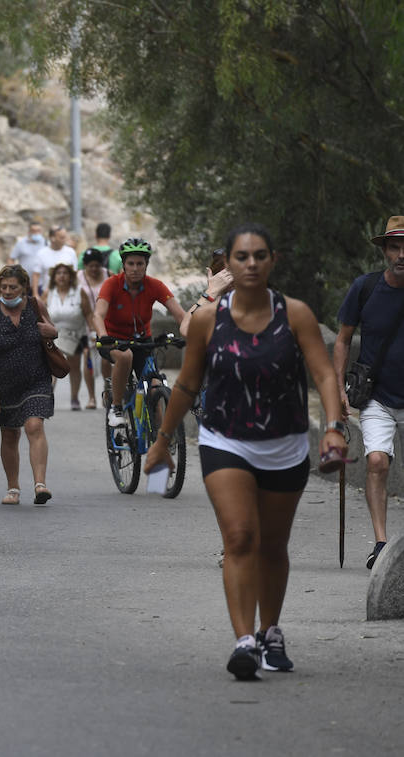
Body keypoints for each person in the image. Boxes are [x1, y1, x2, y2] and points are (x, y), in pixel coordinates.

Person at [144, 223, 347, 680]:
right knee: (240, 538)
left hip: (284, 444)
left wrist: (333, 428)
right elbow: (188, 382)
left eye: (259, 256)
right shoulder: (206, 319)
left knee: (273, 545)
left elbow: (325, 375)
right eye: (242, 256)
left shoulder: (294, 315)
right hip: (225, 438)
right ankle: (244, 641)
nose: (251, 263)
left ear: (272, 261)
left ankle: (271, 630)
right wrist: (162, 442)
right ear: (227, 266)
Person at [333, 215, 404, 569]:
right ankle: (381, 544)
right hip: (377, 395)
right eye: (395, 247)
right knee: (377, 461)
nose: (401, 254)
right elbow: (342, 340)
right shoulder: (365, 287)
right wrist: (337, 390)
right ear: (385, 251)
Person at [0, 265, 58, 505]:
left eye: (12, 287)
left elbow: (51, 332)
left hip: (36, 379)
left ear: (24, 287)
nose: (7, 291)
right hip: (2, 383)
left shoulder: (36, 307)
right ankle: (13, 487)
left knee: (34, 425)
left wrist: (52, 331)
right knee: (9, 434)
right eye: (3, 287)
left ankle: (40, 485)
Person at [88, 238, 188, 429]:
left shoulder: (155, 285)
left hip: (143, 341)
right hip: (113, 340)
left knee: (155, 388)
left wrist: (192, 335)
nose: (135, 268)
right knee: (125, 357)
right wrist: (103, 336)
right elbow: (98, 315)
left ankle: (161, 440)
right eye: (130, 263)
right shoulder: (111, 284)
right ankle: (116, 408)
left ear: (146, 265)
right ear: (123, 265)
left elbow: (181, 315)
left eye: (140, 264)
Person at [46, 263, 93, 410]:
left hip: (75, 334)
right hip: (54, 334)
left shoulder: (79, 292)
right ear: (54, 277)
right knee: (51, 365)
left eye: (65, 273)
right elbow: (40, 313)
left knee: (74, 366)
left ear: (70, 276)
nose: (61, 276)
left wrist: (92, 333)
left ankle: (74, 397)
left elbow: (89, 314)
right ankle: (48, 396)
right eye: (58, 273)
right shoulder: (48, 293)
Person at [77, 247, 109, 409]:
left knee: (106, 359)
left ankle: (107, 392)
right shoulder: (78, 278)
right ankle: (91, 398)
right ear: (85, 265)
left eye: (97, 265)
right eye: (90, 266)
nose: (94, 269)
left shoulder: (109, 275)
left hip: (106, 323)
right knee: (87, 358)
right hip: (85, 324)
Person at [8, 221, 48, 297]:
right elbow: (11, 259)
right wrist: (13, 274)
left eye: (38, 231)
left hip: (41, 284)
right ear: (29, 231)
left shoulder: (46, 243)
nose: (36, 233)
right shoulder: (21, 243)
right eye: (34, 231)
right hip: (23, 284)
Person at [35, 226, 78, 296]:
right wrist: (35, 294)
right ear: (52, 238)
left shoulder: (71, 252)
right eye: (62, 237)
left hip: (68, 293)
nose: (65, 240)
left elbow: (75, 273)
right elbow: (36, 275)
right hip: (47, 294)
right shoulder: (41, 253)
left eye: (65, 237)